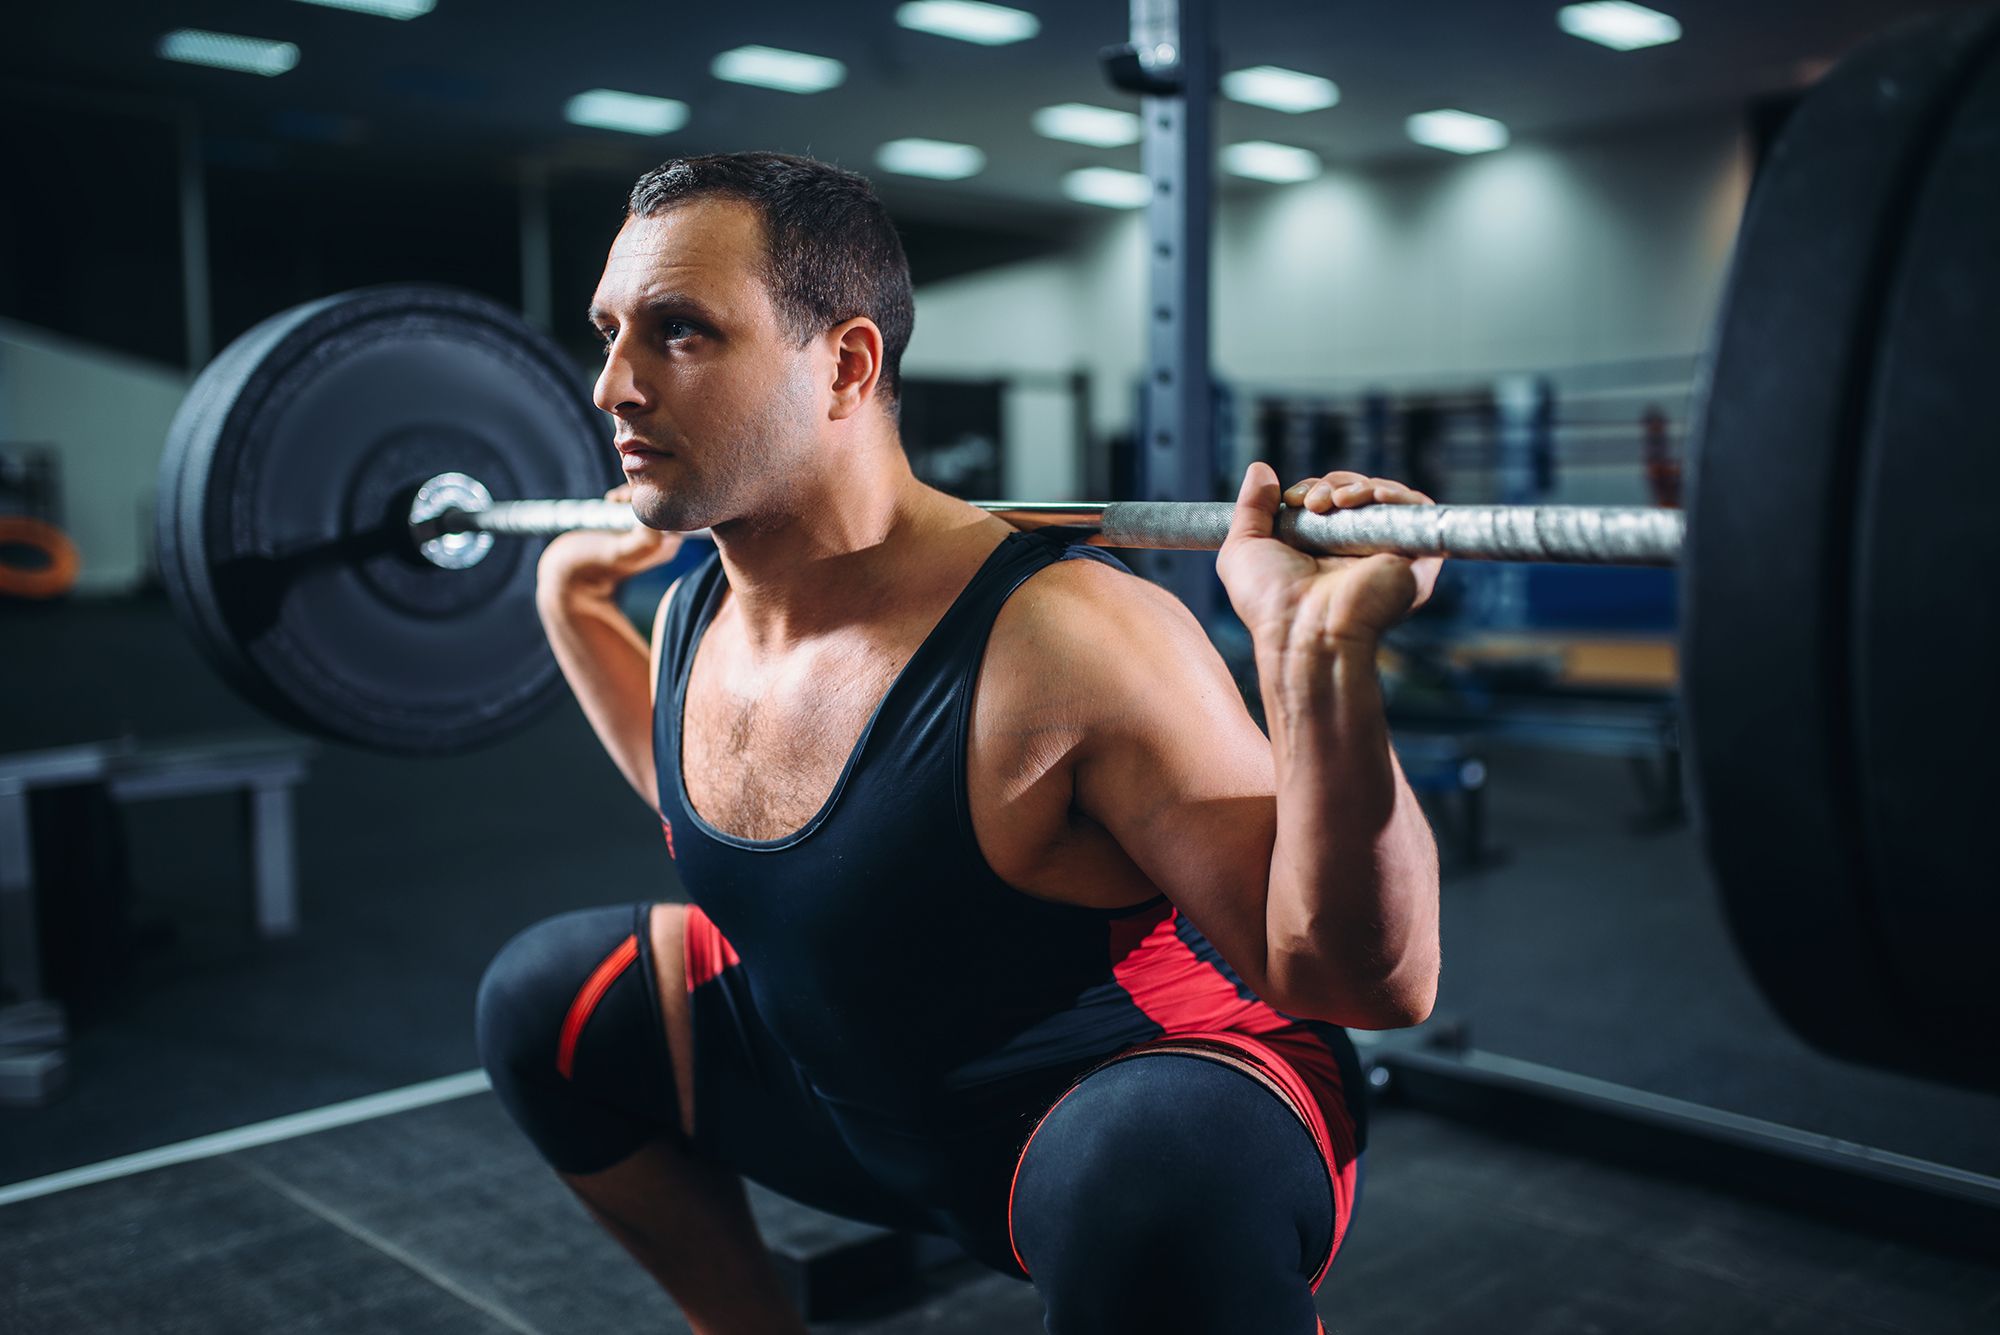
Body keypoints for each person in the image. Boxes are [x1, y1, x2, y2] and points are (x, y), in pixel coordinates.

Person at [476, 152, 1441, 1335]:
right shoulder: (692, 610)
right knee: (546, 1001)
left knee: (1158, 1173)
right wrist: (568, 608)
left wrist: (1314, 667)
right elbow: (725, 824)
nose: (611, 386)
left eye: (678, 332)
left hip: (1108, 1137)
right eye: (608, 331)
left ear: (843, 363)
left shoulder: (1068, 641)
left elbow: (1360, 983)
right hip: (856, 1103)